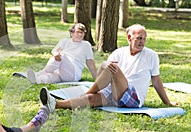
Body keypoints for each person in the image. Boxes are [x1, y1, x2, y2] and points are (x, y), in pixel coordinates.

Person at [39, 24, 176, 112]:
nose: (142, 42)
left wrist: (167, 103)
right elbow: (103, 73)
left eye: (144, 38)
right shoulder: (119, 52)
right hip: (113, 93)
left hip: (132, 98)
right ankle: (55, 104)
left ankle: (87, 93)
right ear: (129, 37)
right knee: (92, 99)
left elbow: (156, 81)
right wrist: (99, 91)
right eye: (139, 38)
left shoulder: (151, 55)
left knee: (110, 67)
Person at [26, 23, 97, 84]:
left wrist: (96, 79)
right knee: (50, 77)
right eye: (78, 32)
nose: (80, 34)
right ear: (72, 33)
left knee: (62, 55)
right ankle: (37, 80)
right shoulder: (65, 41)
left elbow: (90, 62)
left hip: (73, 74)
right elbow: (54, 51)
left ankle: (40, 73)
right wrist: (55, 54)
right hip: (60, 72)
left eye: (82, 32)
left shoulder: (86, 45)